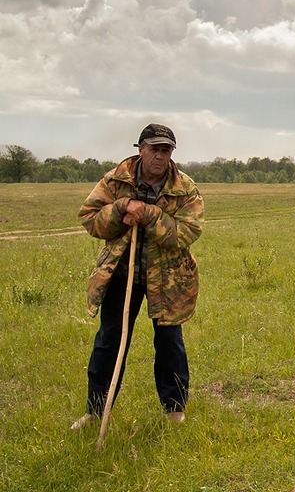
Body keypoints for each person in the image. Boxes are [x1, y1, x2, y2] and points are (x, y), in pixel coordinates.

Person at [71, 123, 204, 429]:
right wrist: (121, 208)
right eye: (155, 149)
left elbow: (187, 233)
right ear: (141, 148)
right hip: (121, 275)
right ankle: (95, 411)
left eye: (166, 150)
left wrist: (148, 214)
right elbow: (90, 219)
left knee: (170, 344)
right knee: (110, 341)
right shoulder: (117, 179)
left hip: (168, 280)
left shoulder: (185, 188)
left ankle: (174, 410)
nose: (160, 156)